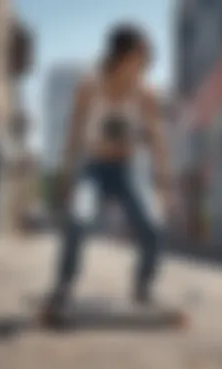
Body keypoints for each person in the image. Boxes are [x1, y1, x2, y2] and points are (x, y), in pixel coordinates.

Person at [42, 23, 173, 319]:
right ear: (122, 56)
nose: (143, 67)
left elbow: (157, 141)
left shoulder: (145, 94)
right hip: (95, 169)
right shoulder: (89, 87)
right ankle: (63, 286)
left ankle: (143, 286)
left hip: (128, 170)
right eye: (139, 60)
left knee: (153, 227)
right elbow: (73, 135)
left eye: (146, 62)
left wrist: (164, 183)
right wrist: (66, 177)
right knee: (78, 218)